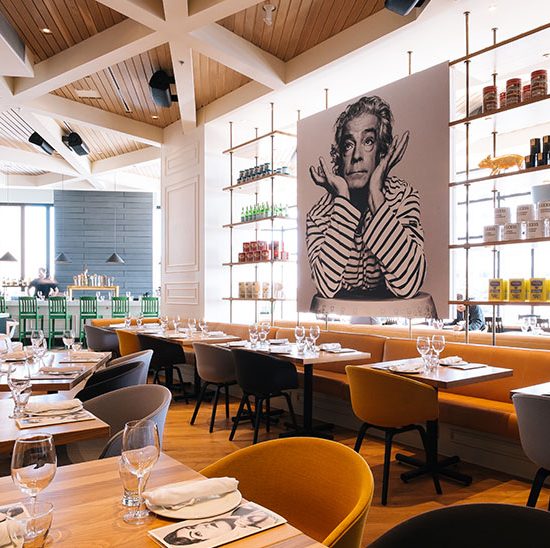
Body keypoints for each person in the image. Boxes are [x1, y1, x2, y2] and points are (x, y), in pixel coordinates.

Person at [306, 95, 426, 301]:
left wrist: (377, 197)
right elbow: (325, 288)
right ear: (339, 155)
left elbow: (409, 284)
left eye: (368, 141)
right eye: (348, 145)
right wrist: (342, 199)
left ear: (382, 149)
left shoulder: (404, 197)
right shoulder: (318, 215)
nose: (357, 156)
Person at [162, 505, 279, 545]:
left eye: (192, 527)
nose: (201, 526)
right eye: (197, 533)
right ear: (205, 541)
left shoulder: (240, 509)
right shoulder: (252, 539)